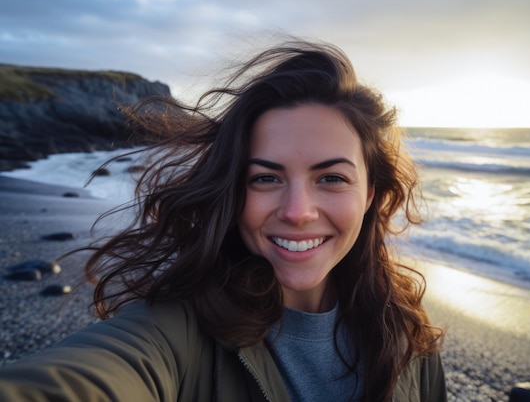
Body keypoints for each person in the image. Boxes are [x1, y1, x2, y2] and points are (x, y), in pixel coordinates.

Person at [0, 39, 446, 401]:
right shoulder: (178, 332)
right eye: (266, 178)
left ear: (369, 194)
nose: (296, 211)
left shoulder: (406, 333)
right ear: (234, 190)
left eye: (331, 177)